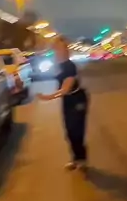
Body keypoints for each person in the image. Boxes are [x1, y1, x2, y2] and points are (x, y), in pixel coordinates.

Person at [37, 36, 89, 171]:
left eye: (60, 48)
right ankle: (75, 158)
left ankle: (82, 159)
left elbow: (66, 88)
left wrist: (47, 97)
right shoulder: (59, 65)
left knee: (76, 131)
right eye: (56, 48)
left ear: (66, 50)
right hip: (68, 100)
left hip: (77, 100)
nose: (57, 51)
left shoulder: (69, 66)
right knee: (69, 131)